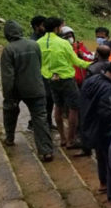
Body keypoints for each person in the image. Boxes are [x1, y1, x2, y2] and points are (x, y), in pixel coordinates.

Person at [1, 20, 54, 162]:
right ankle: (46, 151)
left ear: (7, 34)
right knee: (40, 118)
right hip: (37, 87)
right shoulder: (34, 45)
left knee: (9, 111)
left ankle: (10, 138)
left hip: (17, 89)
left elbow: (8, 76)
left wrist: (8, 95)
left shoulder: (9, 50)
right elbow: (39, 64)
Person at [80, 59, 111, 208]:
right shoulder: (109, 88)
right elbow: (105, 113)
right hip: (103, 129)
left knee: (100, 156)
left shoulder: (93, 79)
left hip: (88, 124)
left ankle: (103, 183)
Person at [36, 17, 90, 148]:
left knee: (58, 107)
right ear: (56, 28)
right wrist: (92, 64)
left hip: (50, 79)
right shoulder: (63, 43)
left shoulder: (38, 43)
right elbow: (77, 62)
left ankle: (62, 138)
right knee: (74, 108)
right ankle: (71, 139)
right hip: (66, 79)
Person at [28, 15, 55, 130]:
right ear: (36, 27)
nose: (45, 27)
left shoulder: (44, 37)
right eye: (43, 25)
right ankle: (34, 123)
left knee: (49, 100)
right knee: (41, 101)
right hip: (39, 76)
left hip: (47, 74)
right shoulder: (34, 41)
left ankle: (48, 122)